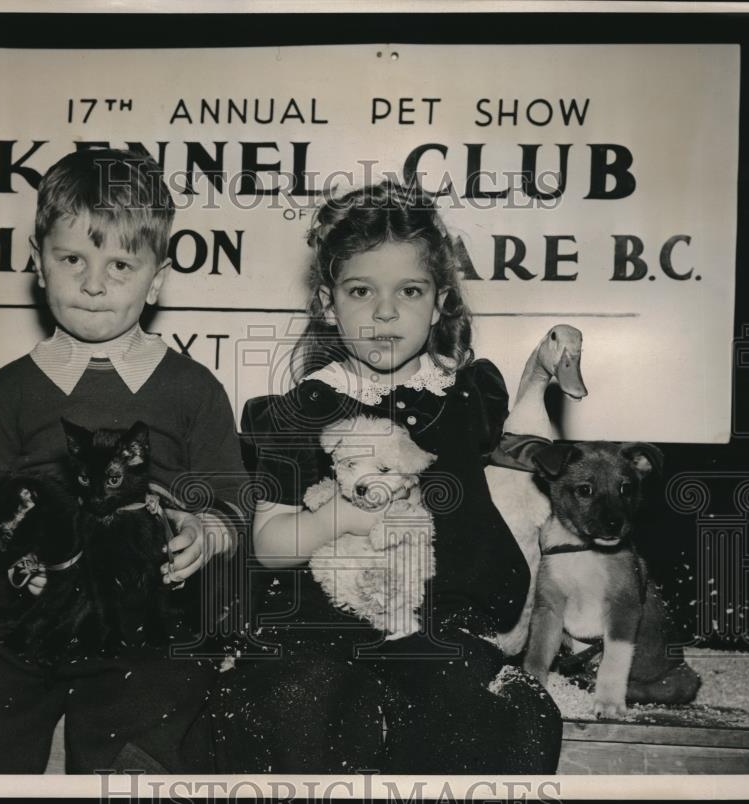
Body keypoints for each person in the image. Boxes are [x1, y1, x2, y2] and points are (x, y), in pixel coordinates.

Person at [0, 148, 249, 774]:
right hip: (22, 611)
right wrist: (12, 548)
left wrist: (207, 531)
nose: (93, 283)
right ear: (38, 263)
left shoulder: (192, 389)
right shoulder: (11, 388)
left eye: (121, 265)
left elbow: (232, 495)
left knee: (156, 711)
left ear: (157, 278)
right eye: (72, 258)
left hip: (142, 618)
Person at [214, 180, 562, 774]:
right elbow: (269, 546)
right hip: (321, 629)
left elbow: (529, 452)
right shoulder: (299, 412)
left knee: (495, 713)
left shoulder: (466, 393)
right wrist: (334, 519)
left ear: (441, 301)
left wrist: (540, 377)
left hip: (442, 626)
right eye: (360, 291)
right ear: (328, 304)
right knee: (301, 709)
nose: (384, 311)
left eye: (409, 290)